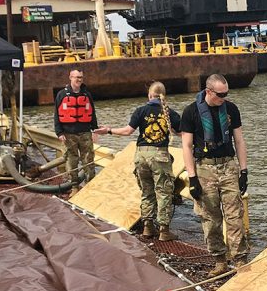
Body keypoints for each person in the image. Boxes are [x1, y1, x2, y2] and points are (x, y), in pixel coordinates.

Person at [180, 74, 249, 278]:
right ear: (209, 92)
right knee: (210, 218)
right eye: (220, 94)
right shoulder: (191, 112)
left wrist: (243, 171)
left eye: (227, 93)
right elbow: (186, 145)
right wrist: (192, 177)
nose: (224, 98)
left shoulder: (231, 109)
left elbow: (239, 141)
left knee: (235, 215)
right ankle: (219, 260)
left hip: (228, 165)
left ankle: (240, 260)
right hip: (205, 168)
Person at [104, 81, 182, 240]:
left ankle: (147, 227)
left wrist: (109, 130)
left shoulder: (140, 111)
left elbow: (127, 131)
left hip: (141, 156)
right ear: (163, 96)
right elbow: (181, 133)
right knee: (163, 193)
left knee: (147, 191)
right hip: (160, 156)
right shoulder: (170, 113)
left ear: (149, 95)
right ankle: (164, 231)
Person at [54, 69, 103, 192]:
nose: (78, 80)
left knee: (88, 160)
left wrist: (95, 130)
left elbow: (92, 113)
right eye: (76, 77)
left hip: (85, 132)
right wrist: (59, 132)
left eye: (80, 77)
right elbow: (56, 115)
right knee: (71, 161)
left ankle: (90, 187)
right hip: (68, 134)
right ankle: (74, 187)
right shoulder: (62, 95)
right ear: (70, 77)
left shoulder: (87, 95)